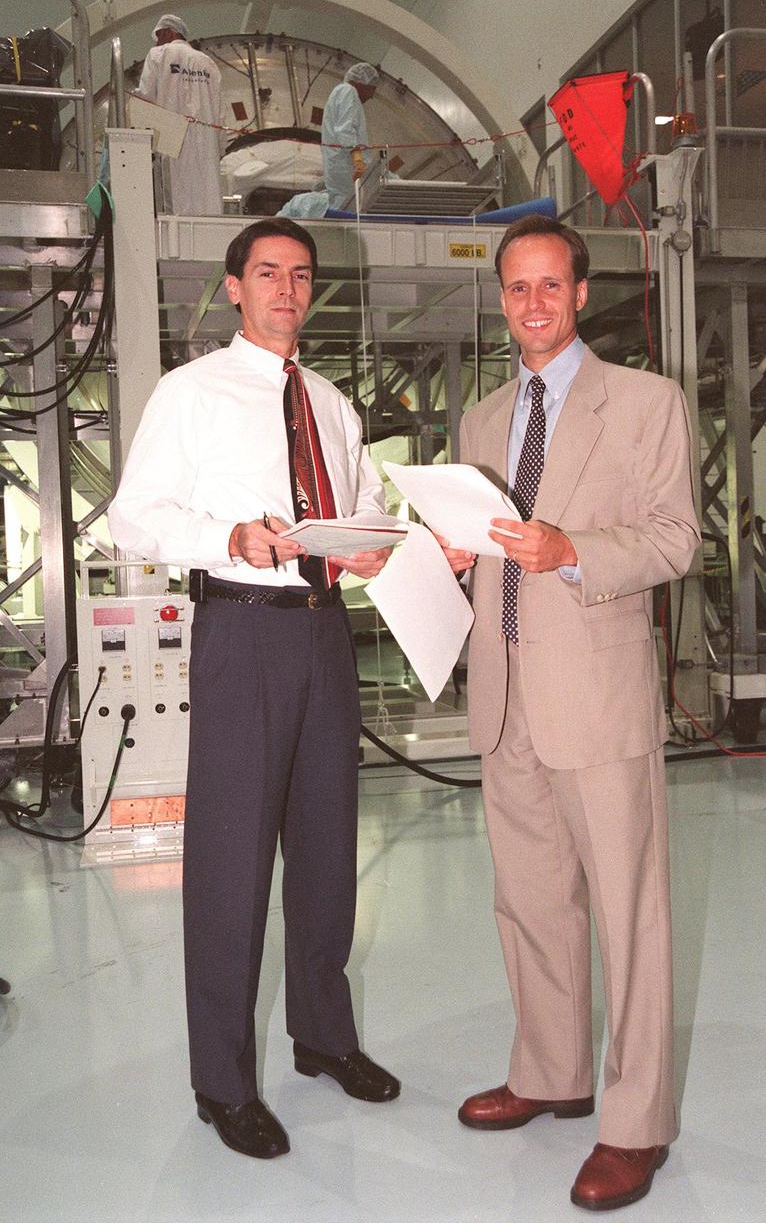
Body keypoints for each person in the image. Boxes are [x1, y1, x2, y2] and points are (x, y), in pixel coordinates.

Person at [108, 217, 399, 1160]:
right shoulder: (191, 393)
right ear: (234, 287)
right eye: (268, 272)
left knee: (326, 847)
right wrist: (227, 538)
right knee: (232, 862)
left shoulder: (334, 405)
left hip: (325, 633)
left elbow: (363, 505)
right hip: (241, 628)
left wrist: (373, 545)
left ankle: (323, 1036)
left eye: (301, 275)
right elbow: (133, 516)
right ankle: (222, 1082)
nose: (286, 289)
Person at [440, 215, 700, 1212]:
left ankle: (636, 1124)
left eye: (551, 284)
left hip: (597, 697)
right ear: (501, 299)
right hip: (504, 695)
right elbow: (483, 544)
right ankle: (551, 1069)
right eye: (517, 287)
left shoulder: (645, 403)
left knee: (631, 915)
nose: (534, 303)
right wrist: (451, 556)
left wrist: (573, 550)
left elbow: (675, 538)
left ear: (581, 293)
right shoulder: (479, 421)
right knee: (530, 900)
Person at [136, 14, 223, 216]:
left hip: (170, 137)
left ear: (169, 32)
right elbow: (220, 111)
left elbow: (146, 97)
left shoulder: (159, 54)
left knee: (174, 200)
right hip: (206, 143)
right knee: (207, 198)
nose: (157, 42)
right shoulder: (208, 63)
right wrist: (220, 147)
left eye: (159, 36)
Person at [321, 62, 379, 208]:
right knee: (347, 205)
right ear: (361, 82)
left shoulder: (341, 92)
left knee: (344, 203)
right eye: (372, 89)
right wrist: (358, 159)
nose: (372, 96)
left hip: (340, 165)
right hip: (345, 165)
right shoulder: (348, 91)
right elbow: (345, 129)